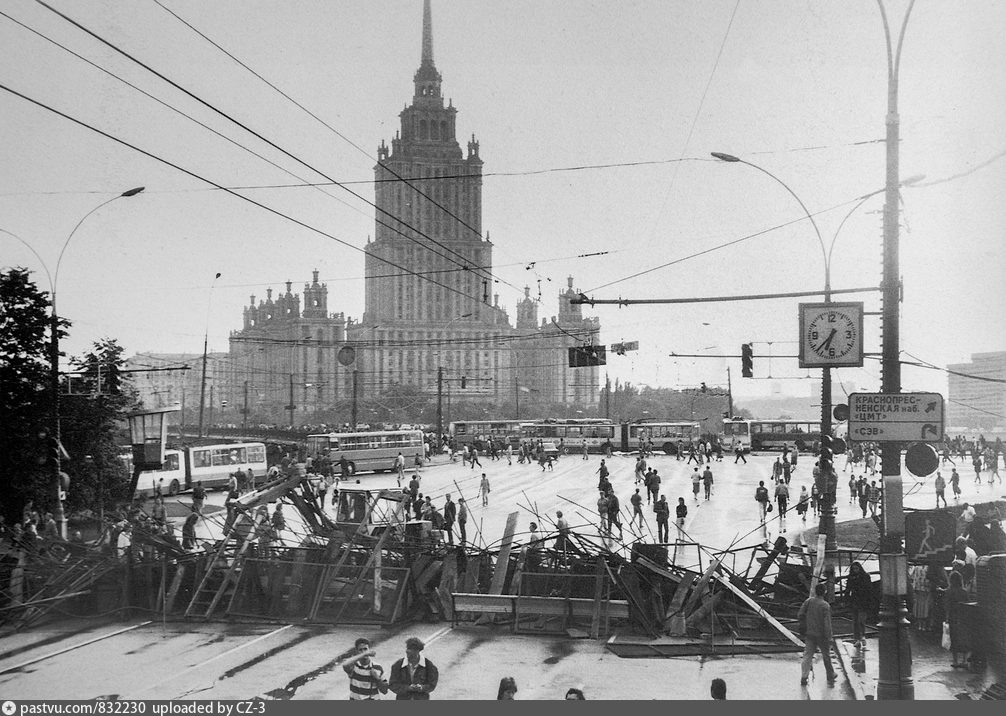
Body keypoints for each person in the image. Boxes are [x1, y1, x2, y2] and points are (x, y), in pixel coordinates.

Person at [798, 583, 837, 685]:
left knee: (807, 655)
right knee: (826, 655)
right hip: (821, 635)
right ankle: (830, 675)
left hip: (809, 633)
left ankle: (804, 676)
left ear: (815, 591)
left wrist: (805, 624)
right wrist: (829, 637)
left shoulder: (809, 601)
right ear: (824, 592)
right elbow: (827, 623)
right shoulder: (825, 605)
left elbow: (800, 614)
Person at [945, 570, 971, 669]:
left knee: (954, 639)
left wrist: (947, 617)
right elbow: (967, 603)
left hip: (953, 617)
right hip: (963, 617)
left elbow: (947, 606)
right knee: (964, 639)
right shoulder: (964, 591)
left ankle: (955, 661)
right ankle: (964, 661)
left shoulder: (948, 591)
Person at [846, 561, 873, 646]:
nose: (855, 570)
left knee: (861, 620)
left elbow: (869, 589)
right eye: (853, 569)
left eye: (856, 568)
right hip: (855, 601)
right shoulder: (851, 577)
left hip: (863, 601)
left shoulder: (865, 577)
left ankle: (862, 636)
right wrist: (847, 599)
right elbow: (848, 589)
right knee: (855, 621)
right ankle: (857, 638)